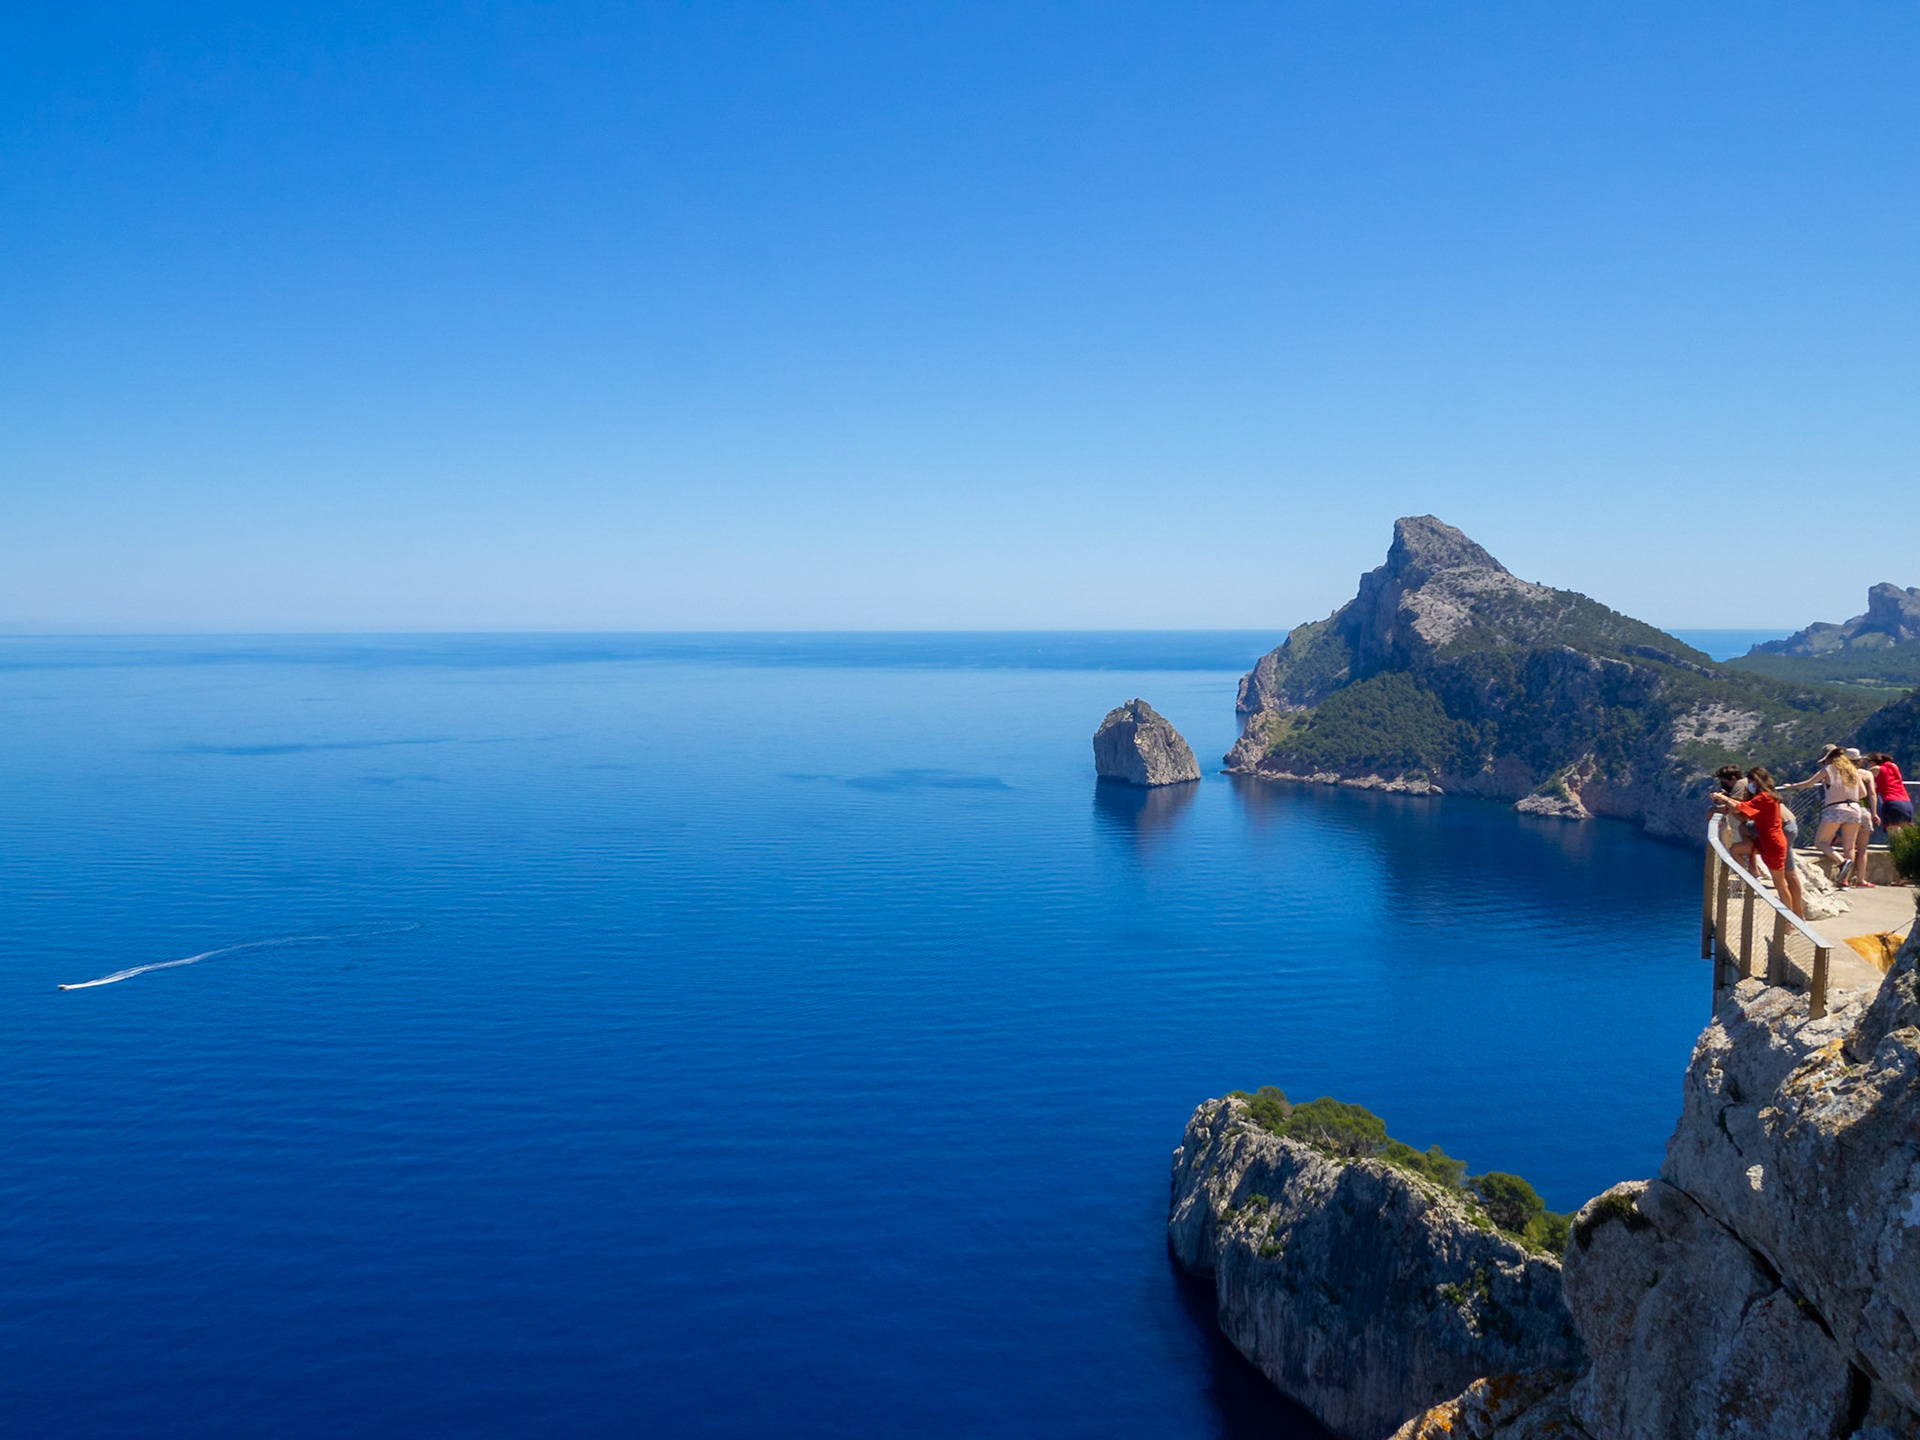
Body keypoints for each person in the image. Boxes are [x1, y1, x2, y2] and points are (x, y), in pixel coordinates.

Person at [1712, 766, 1803, 918]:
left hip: (1773, 842)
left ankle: (1791, 920)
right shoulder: (1766, 796)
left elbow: (1740, 807)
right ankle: (1749, 875)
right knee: (1736, 849)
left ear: (1756, 781)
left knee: (1780, 884)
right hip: (1767, 840)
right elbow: (1743, 812)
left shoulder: (1764, 798)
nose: (1749, 785)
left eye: (1751, 782)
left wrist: (1724, 798)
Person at [1779, 746, 1873, 887]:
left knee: (1820, 842)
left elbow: (1808, 784)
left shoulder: (1828, 769)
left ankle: (1841, 862)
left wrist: (1792, 786)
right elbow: (1863, 793)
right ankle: (1844, 880)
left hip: (1835, 808)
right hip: (1854, 809)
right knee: (1849, 847)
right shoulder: (1853, 771)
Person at [1866, 752, 1913, 832]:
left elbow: (1864, 776)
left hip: (1892, 803)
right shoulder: (1893, 766)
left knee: (1895, 835)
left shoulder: (1876, 769)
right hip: (1907, 803)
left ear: (1872, 762)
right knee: (1906, 836)